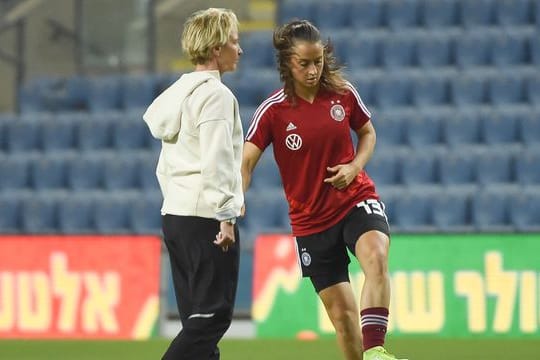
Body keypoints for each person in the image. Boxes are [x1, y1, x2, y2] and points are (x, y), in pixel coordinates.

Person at [241, 20, 407, 360]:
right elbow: (245, 163)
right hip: (311, 222)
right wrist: (234, 203)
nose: (313, 69)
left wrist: (355, 167)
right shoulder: (272, 112)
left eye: (318, 61)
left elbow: (368, 133)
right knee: (344, 321)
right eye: (304, 63)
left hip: (354, 199)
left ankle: (376, 350)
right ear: (287, 62)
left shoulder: (342, 93)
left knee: (376, 254)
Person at [143, 8, 243, 360]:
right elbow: (217, 161)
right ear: (216, 49)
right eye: (233, 41)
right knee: (213, 317)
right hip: (205, 216)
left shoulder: (176, 94)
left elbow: (164, 167)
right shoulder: (216, 96)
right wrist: (226, 216)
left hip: (176, 214)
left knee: (197, 324)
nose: (239, 49)